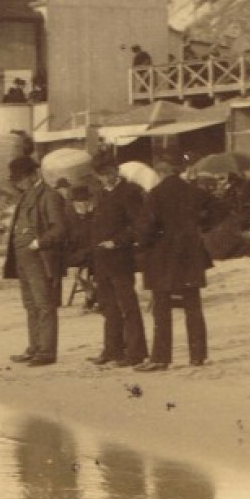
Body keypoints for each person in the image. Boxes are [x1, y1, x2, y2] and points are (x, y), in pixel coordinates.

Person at [135, 153, 214, 370]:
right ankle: (198, 355)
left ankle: (161, 358)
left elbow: (145, 229)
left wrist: (143, 246)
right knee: (192, 306)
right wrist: (200, 227)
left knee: (162, 308)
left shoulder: (155, 195)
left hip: (162, 258)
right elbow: (219, 211)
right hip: (190, 257)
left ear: (160, 172)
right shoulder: (196, 192)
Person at [4, 156, 68, 367]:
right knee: (30, 305)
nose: (18, 183)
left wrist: (39, 242)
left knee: (44, 305)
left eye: (21, 179)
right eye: (16, 180)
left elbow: (59, 229)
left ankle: (47, 351)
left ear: (33, 175)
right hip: (23, 258)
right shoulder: (26, 195)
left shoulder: (49, 196)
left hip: (39, 257)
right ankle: (34, 347)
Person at [86, 155, 148, 367]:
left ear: (115, 170)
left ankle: (135, 352)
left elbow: (138, 225)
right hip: (101, 259)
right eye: (100, 176)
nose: (105, 179)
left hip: (120, 257)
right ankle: (112, 350)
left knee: (127, 305)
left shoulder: (130, 192)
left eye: (107, 174)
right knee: (108, 306)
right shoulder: (101, 194)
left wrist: (118, 242)